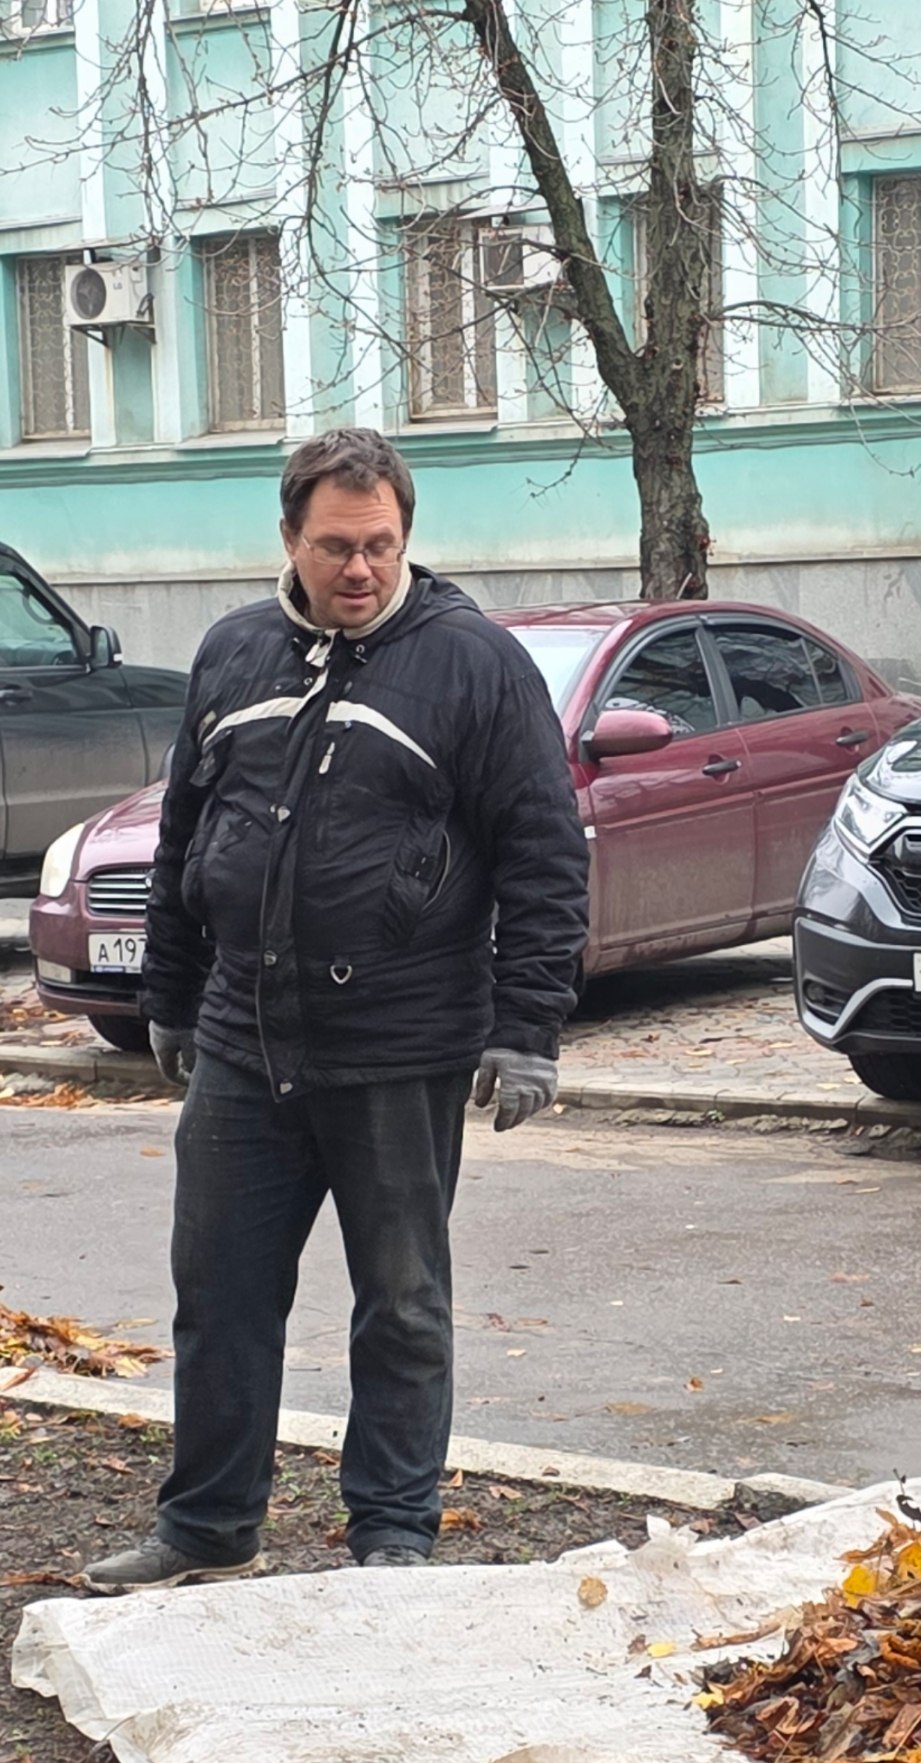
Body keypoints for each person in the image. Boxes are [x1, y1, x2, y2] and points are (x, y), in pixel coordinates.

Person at [83, 429, 589, 1593]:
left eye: (379, 547)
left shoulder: (473, 663)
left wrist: (527, 1029)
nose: (357, 570)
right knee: (219, 1294)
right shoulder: (235, 651)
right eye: (333, 548)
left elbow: (545, 855)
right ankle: (206, 1530)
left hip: (400, 1046)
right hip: (241, 1044)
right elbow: (182, 837)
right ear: (289, 539)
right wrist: (168, 992)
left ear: (406, 538)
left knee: (402, 1305)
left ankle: (392, 1538)